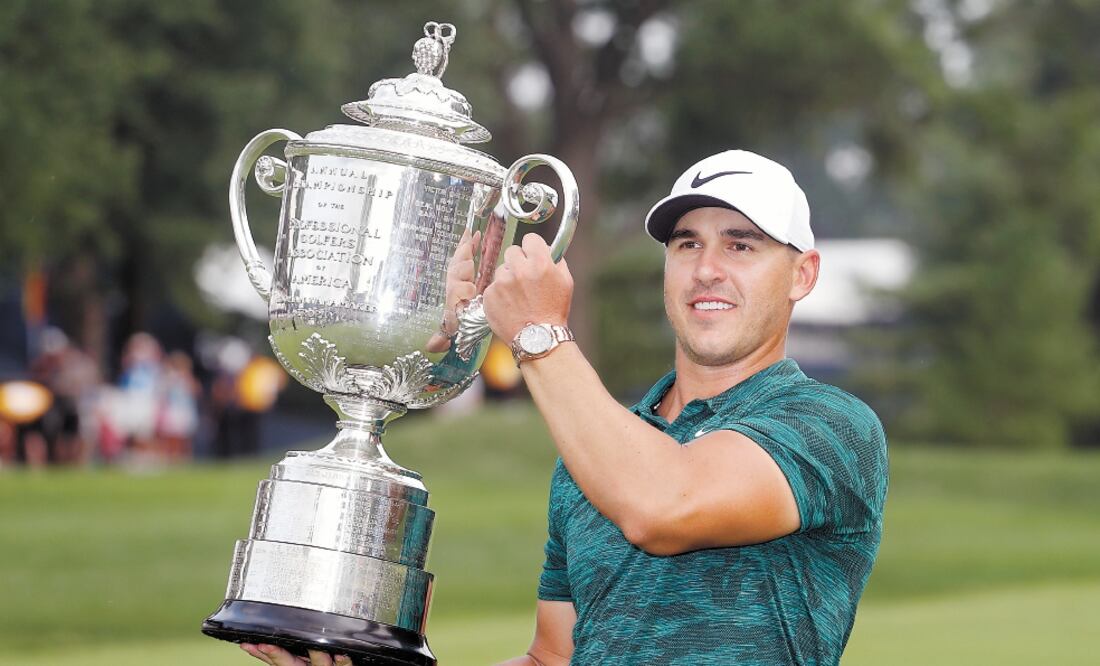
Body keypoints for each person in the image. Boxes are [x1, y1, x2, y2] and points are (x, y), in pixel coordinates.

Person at [242, 149, 888, 666]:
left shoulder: (833, 425)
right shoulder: (596, 454)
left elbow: (665, 506)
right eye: (687, 244)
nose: (707, 269)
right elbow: (553, 657)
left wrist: (537, 334)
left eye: (740, 245)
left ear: (802, 274)